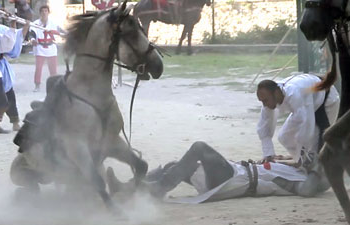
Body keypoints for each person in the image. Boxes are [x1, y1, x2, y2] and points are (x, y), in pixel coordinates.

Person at [106, 141, 325, 203]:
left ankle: (156, 191)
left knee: (199, 147)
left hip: (233, 180)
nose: (306, 159)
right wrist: (302, 163)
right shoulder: (293, 169)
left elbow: (307, 190)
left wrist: (315, 170)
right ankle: (129, 188)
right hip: (233, 173)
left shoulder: (294, 181)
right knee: (175, 166)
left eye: (310, 161)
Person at [256, 73, 340, 196]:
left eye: (265, 100)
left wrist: (303, 157)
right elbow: (264, 127)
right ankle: (305, 165)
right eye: (261, 101)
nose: (264, 104)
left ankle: (320, 170)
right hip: (308, 102)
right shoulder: (270, 98)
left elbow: (306, 127)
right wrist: (269, 154)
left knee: (316, 143)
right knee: (284, 137)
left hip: (327, 99)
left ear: (276, 93)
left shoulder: (294, 94)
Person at [0, 19, 31, 132]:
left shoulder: (2, 29)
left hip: (0, 67)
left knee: (9, 95)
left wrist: (25, 27)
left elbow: (15, 37)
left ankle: (15, 122)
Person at [30, 5, 64, 92]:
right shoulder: (35, 23)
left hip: (51, 48)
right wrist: (33, 40)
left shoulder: (53, 23)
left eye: (46, 11)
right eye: (42, 11)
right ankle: (37, 85)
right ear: (40, 13)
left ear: (48, 12)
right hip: (40, 48)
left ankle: (54, 86)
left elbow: (61, 31)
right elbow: (31, 34)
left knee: (53, 68)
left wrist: (67, 34)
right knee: (38, 68)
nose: (44, 13)